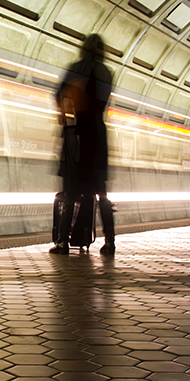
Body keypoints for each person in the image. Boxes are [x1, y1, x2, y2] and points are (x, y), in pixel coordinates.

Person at [50, 34, 115, 255]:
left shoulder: (76, 68)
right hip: (98, 133)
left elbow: (60, 95)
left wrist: (64, 116)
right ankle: (110, 241)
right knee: (101, 192)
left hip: (77, 134)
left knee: (70, 190)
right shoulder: (107, 72)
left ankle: (62, 242)